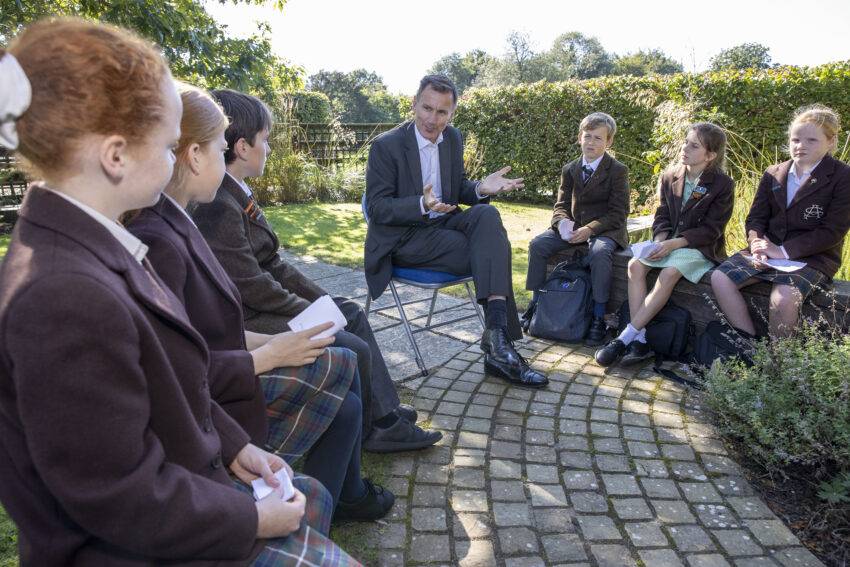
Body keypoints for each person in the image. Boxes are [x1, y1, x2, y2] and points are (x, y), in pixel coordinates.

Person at [0, 19, 357, 565]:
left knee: (315, 499)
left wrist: (237, 448)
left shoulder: (94, 242)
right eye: (168, 146)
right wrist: (254, 517)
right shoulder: (63, 294)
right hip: (139, 546)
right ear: (115, 156)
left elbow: (169, 378)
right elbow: (118, 495)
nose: (175, 161)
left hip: (190, 486)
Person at [127, 84, 394, 520]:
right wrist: (267, 353)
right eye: (218, 148)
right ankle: (327, 503)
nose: (224, 159)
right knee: (348, 357)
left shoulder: (179, 222)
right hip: (221, 401)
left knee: (347, 394)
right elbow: (177, 373)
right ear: (194, 155)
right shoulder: (165, 237)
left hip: (231, 366)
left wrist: (267, 341)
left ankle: (328, 506)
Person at [191, 89, 441, 453]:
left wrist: (321, 298)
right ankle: (378, 428)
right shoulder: (220, 204)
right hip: (252, 320)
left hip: (262, 307)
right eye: (266, 140)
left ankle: (383, 411)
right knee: (350, 340)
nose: (270, 148)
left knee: (350, 311)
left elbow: (273, 264)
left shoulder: (237, 193)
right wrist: (307, 309)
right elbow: (250, 284)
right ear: (243, 148)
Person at [365, 74, 549, 388]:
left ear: (452, 114)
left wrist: (480, 187)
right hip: (404, 238)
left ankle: (495, 335)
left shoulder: (453, 138)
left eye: (441, 112)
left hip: (445, 224)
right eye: (426, 108)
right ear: (414, 104)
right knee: (490, 250)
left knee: (487, 214)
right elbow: (378, 208)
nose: (431, 119)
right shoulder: (386, 146)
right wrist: (421, 205)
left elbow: (457, 189)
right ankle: (499, 345)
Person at [596, 123, 734, 367]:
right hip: (668, 241)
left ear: (710, 155)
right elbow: (661, 215)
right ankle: (641, 340)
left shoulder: (722, 184)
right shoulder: (670, 176)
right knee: (635, 266)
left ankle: (624, 338)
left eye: (694, 146)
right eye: (686, 141)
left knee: (669, 273)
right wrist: (660, 240)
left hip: (697, 248)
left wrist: (674, 244)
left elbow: (712, 230)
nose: (685, 148)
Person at [711, 104, 850, 338]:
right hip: (767, 252)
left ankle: (780, 364)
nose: (800, 146)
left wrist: (782, 251)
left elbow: (832, 231)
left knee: (783, 299)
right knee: (720, 277)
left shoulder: (842, 176)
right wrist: (757, 245)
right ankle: (749, 344)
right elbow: (756, 218)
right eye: (795, 139)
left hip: (813, 258)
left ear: (831, 141)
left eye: (811, 140)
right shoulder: (773, 172)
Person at [524, 112, 630, 346]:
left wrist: (590, 230)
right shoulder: (570, 168)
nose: (591, 142)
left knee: (600, 254)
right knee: (538, 245)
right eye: (587, 136)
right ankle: (536, 304)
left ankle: (598, 317)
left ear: (609, 142)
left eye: (598, 138)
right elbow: (560, 205)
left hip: (604, 230)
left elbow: (618, 212)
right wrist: (562, 223)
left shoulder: (617, 171)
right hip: (572, 229)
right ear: (579, 138)